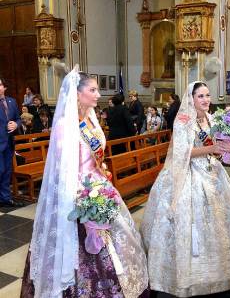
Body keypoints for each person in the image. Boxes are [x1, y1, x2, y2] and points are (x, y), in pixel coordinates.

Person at [20, 68, 149, 297]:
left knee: (119, 239)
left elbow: (96, 156)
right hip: (78, 194)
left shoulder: (90, 120)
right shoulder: (63, 127)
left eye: (97, 89)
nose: (98, 94)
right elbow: (62, 170)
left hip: (99, 186)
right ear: (77, 95)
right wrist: (83, 195)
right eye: (93, 90)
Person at [140, 81, 230, 297]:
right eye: (201, 96)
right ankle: (185, 273)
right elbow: (183, 153)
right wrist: (213, 147)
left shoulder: (209, 118)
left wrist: (224, 149)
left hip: (212, 170)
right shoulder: (183, 120)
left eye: (208, 95)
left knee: (220, 220)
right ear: (191, 98)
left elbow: (215, 144)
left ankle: (220, 269)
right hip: (187, 174)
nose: (206, 100)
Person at [0, 77, 23, 207]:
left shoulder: (12, 101)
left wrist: (16, 124)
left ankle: (5, 198)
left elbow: (18, 119)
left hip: (9, 142)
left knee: (7, 171)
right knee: (1, 170)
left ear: (4, 87)